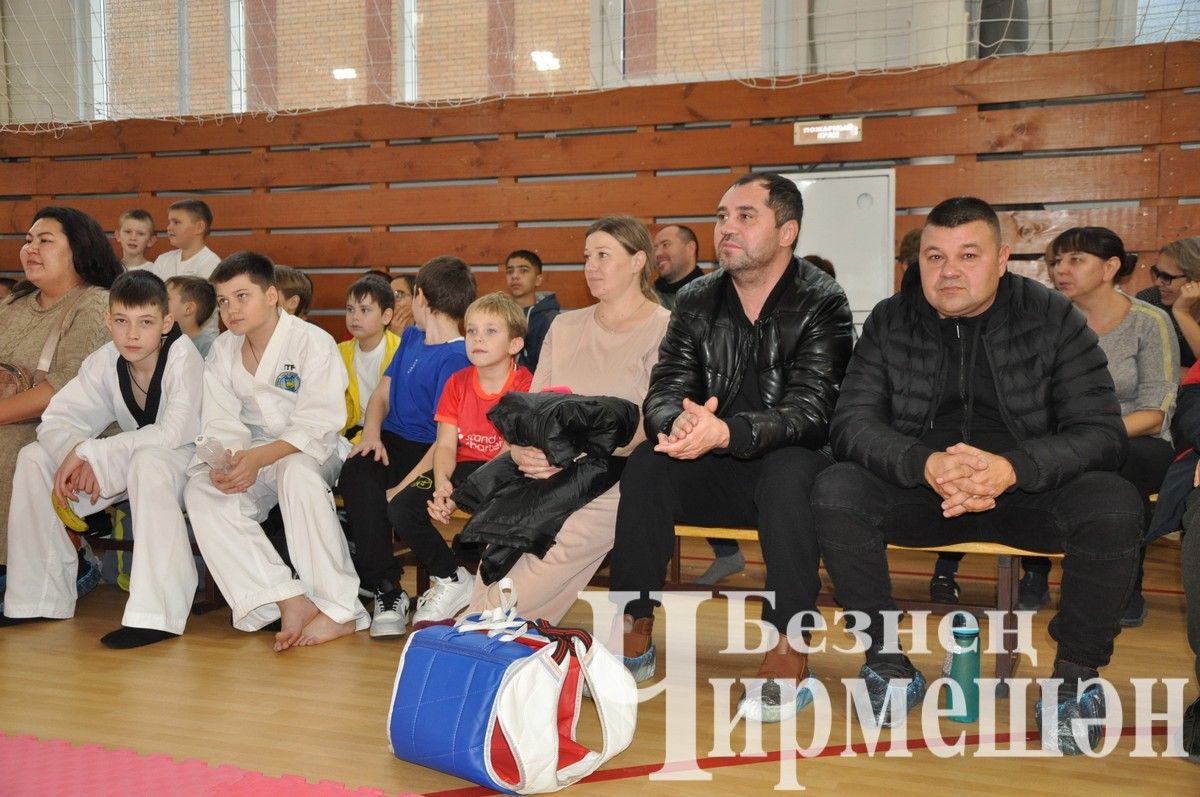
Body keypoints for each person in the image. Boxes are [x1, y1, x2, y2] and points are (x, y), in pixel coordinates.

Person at [810, 197, 1141, 751]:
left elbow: (1101, 431)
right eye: (934, 257)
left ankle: (1074, 678)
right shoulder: (893, 317)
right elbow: (851, 423)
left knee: (1114, 503)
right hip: (925, 489)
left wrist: (1014, 468)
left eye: (968, 255)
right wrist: (926, 463)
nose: (949, 271)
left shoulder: (1053, 316)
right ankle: (888, 664)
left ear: (1003, 257)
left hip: (1027, 489)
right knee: (836, 488)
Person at [610, 174, 854, 723]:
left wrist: (729, 433)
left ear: (787, 231)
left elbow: (814, 411)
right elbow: (666, 388)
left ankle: (790, 645)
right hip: (714, 464)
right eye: (722, 216)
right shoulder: (696, 298)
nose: (727, 227)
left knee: (792, 470)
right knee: (648, 462)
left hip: (783, 467)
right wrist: (677, 427)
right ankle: (634, 626)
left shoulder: (823, 299)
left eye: (746, 216)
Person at [462, 216, 671, 622]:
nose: (591, 266)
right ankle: (495, 647)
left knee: (537, 565)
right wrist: (521, 451)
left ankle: (477, 635)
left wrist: (570, 451)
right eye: (587, 257)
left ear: (637, 261)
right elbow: (531, 409)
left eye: (603, 255)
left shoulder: (664, 328)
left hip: (613, 479)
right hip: (542, 469)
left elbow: (654, 422)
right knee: (498, 557)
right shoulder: (565, 325)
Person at [1, 271, 203, 648]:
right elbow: (59, 418)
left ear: (166, 322)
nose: (132, 334)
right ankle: (37, 598)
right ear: (108, 320)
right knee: (33, 458)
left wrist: (92, 453)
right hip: (127, 458)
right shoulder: (104, 359)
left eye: (145, 323)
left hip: (186, 462)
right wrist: (77, 455)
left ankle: (157, 613)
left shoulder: (183, 357)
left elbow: (175, 433)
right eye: (122, 322)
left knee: (150, 461)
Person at [183, 251, 367, 651]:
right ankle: (286, 597)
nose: (231, 309)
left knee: (296, 472)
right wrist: (226, 462)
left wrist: (259, 459)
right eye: (224, 301)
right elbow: (220, 421)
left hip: (314, 451)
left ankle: (340, 609)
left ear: (271, 296)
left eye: (241, 296)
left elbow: (319, 424)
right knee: (202, 490)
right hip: (252, 454)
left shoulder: (311, 342)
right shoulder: (222, 350)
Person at [376, 293, 532, 637]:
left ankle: (497, 597)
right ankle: (450, 577)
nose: (478, 339)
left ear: (515, 343)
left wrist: (458, 495)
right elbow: (446, 444)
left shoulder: (525, 385)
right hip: (461, 469)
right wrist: (443, 483)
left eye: (491, 332)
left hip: (506, 472)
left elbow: (509, 453)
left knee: (494, 516)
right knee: (401, 508)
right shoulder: (457, 383)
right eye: (472, 331)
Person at [338, 257, 474, 613]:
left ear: (421, 298)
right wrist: (371, 436)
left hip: (434, 450)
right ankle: (387, 587)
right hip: (393, 441)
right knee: (357, 471)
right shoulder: (412, 337)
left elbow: (446, 439)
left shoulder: (458, 358)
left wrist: (402, 486)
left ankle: (451, 579)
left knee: (399, 503)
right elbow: (381, 394)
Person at [0, 207, 121, 590]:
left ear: (78, 250)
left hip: (72, 428)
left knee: (11, 446)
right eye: (28, 240)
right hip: (12, 414)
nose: (31, 249)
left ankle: (55, 565)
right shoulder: (16, 302)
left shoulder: (95, 305)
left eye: (45, 241)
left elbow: (62, 390)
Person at [339, 275, 400, 444]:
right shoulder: (338, 352)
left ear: (386, 316)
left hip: (386, 431)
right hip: (347, 430)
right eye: (350, 309)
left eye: (364, 310)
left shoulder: (400, 352)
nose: (355, 317)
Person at [151, 199, 220, 337]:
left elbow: (201, 309)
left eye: (176, 222)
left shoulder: (211, 263)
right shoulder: (163, 260)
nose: (169, 227)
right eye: (169, 221)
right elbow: (153, 300)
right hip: (164, 337)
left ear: (199, 227)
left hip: (199, 342)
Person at [1135, 236, 1200, 368]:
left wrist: (1182, 312)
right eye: (1157, 273)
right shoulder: (1149, 301)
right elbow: (1146, 368)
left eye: (1167, 277)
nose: (1158, 282)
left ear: (1196, 279)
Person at [505, 249, 559, 374]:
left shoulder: (550, 319)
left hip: (535, 390)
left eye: (523, 270)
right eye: (509, 271)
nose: (515, 276)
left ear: (538, 279)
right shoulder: (498, 315)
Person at [652, 224, 704, 311]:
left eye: (665, 245)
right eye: (655, 248)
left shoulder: (714, 297)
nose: (657, 253)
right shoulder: (647, 299)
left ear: (690, 248)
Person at [165, 276, 218, 357]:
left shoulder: (208, 347)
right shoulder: (163, 338)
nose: (160, 302)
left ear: (188, 308)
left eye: (167, 298)